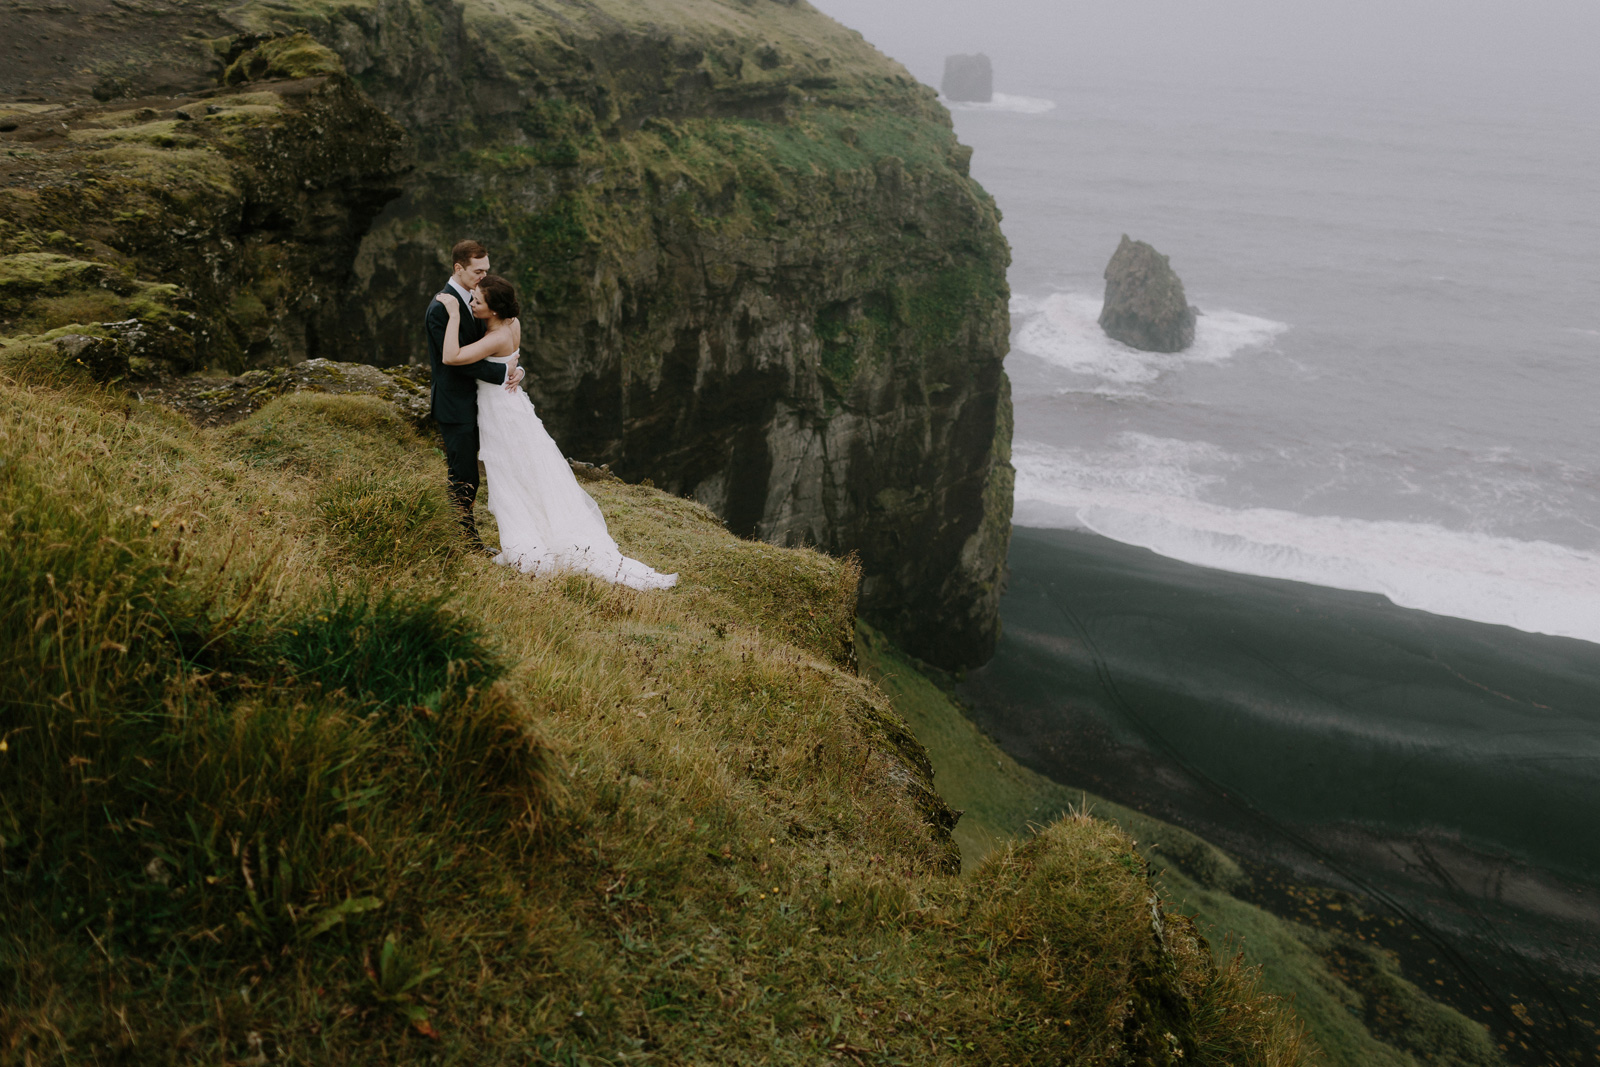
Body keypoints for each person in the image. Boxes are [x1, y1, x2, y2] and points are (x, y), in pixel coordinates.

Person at [438, 274, 678, 590]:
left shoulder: (495, 335)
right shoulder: (513, 324)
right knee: (529, 473)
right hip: (514, 406)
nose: (471, 303)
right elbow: (511, 360)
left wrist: (454, 314)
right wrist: (518, 369)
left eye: (478, 301)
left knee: (510, 477)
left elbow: (451, 357)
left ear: (494, 310)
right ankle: (537, 531)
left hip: (500, 415)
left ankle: (526, 543)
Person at [425, 240, 525, 550]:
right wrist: (502, 373)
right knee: (464, 475)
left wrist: (517, 369)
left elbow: (499, 342)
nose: (484, 277)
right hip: (455, 405)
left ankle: (466, 536)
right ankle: (464, 541)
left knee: (491, 472)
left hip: (483, 404)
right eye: (478, 271)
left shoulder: (478, 299)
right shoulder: (441, 309)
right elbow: (452, 363)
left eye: (486, 270)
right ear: (459, 268)